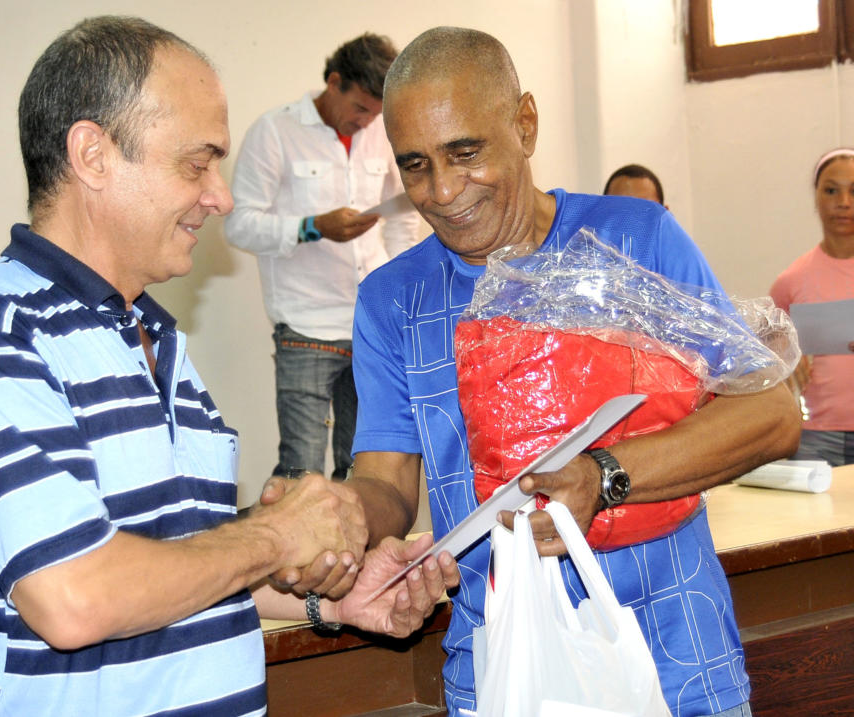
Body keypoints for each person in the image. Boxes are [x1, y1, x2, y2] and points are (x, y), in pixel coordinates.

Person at [0, 17, 457, 716]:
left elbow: (174, 562)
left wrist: (332, 602)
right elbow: (74, 596)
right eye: (197, 164)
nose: (221, 197)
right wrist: (275, 535)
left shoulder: (155, 338)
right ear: (93, 155)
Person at [337, 27, 799, 717]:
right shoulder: (392, 300)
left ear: (524, 124)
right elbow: (385, 482)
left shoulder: (635, 240)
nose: (443, 190)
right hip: (506, 665)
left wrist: (605, 477)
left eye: (465, 153)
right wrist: (334, 524)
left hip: (675, 658)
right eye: (416, 166)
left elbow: (772, 413)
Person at [225, 33, 420, 479]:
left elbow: (403, 218)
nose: (367, 123)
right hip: (305, 327)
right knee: (302, 471)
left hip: (371, 326)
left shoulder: (380, 133)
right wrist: (312, 227)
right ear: (334, 83)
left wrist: (396, 291)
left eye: (376, 114)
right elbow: (238, 225)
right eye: (360, 109)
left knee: (365, 468)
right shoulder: (274, 131)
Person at [770, 148, 854, 466]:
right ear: (816, 198)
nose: (843, 202)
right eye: (831, 190)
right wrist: (785, 358)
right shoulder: (792, 281)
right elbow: (767, 355)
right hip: (816, 436)